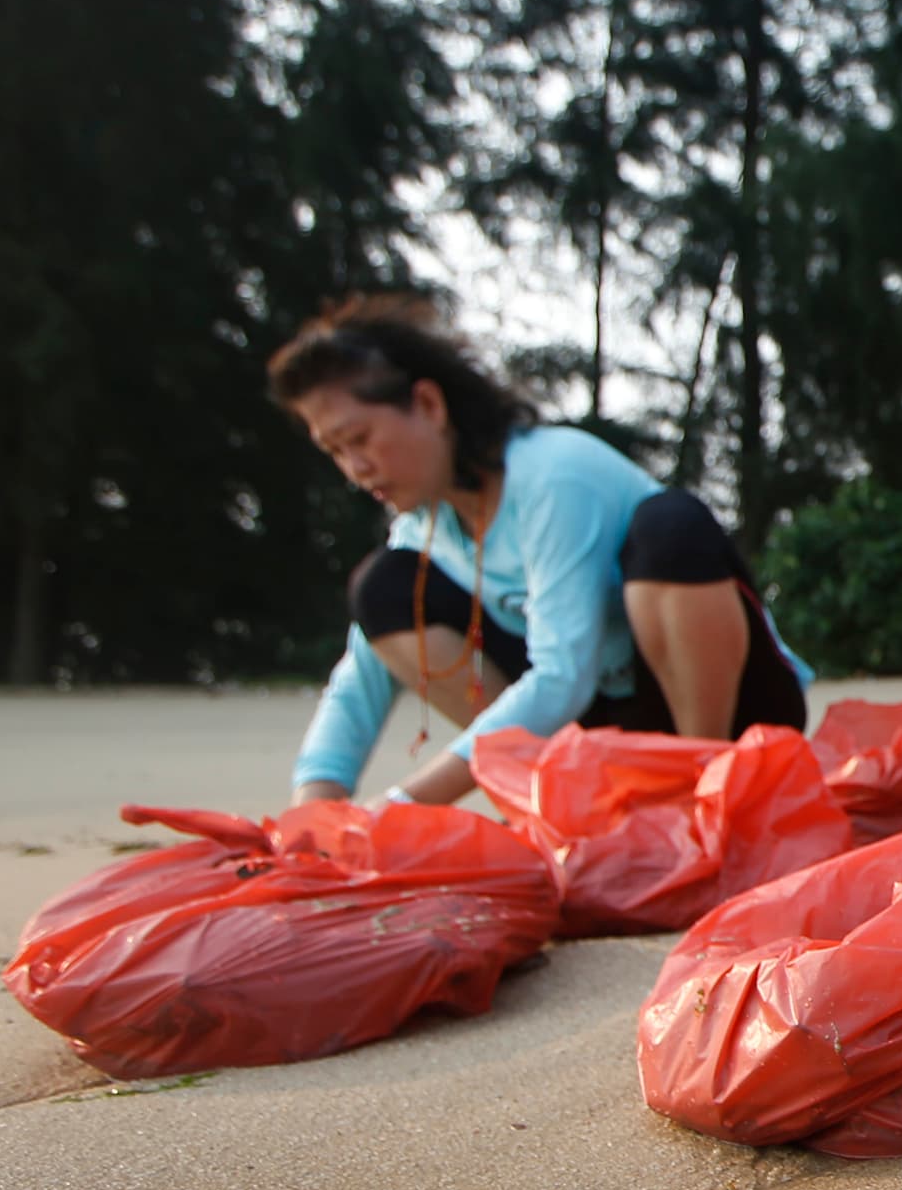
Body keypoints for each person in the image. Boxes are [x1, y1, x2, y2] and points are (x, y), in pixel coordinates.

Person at [270, 294, 813, 807]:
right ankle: (554, 797)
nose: (354, 468)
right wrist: (314, 807)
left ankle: (709, 791)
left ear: (429, 404)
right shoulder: (425, 525)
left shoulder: (552, 476)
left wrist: (399, 806)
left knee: (671, 525)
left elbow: (563, 675)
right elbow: (359, 678)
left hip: (738, 709)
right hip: (608, 725)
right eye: (335, 451)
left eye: (360, 439)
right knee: (382, 589)